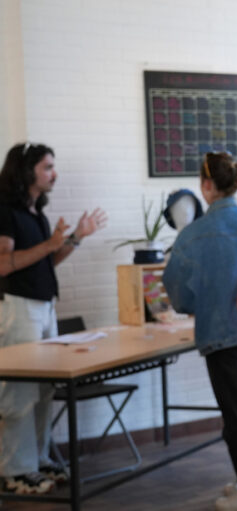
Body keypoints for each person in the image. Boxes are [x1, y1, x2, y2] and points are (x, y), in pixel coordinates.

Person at [163, 152, 237, 511]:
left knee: (236, 412)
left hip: (220, 332)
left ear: (206, 186)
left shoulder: (192, 236)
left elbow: (179, 294)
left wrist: (198, 305)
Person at [0, 142, 107, 494]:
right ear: (26, 170)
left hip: (44, 306)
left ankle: (39, 460)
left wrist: (75, 237)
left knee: (45, 389)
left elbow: (46, 262)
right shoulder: (5, 209)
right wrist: (50, 244)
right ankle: (15, 469)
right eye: (47, 167)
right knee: (20, 390)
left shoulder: (35, 212)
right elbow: (3, 264)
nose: (54, 173)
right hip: (17, 307)